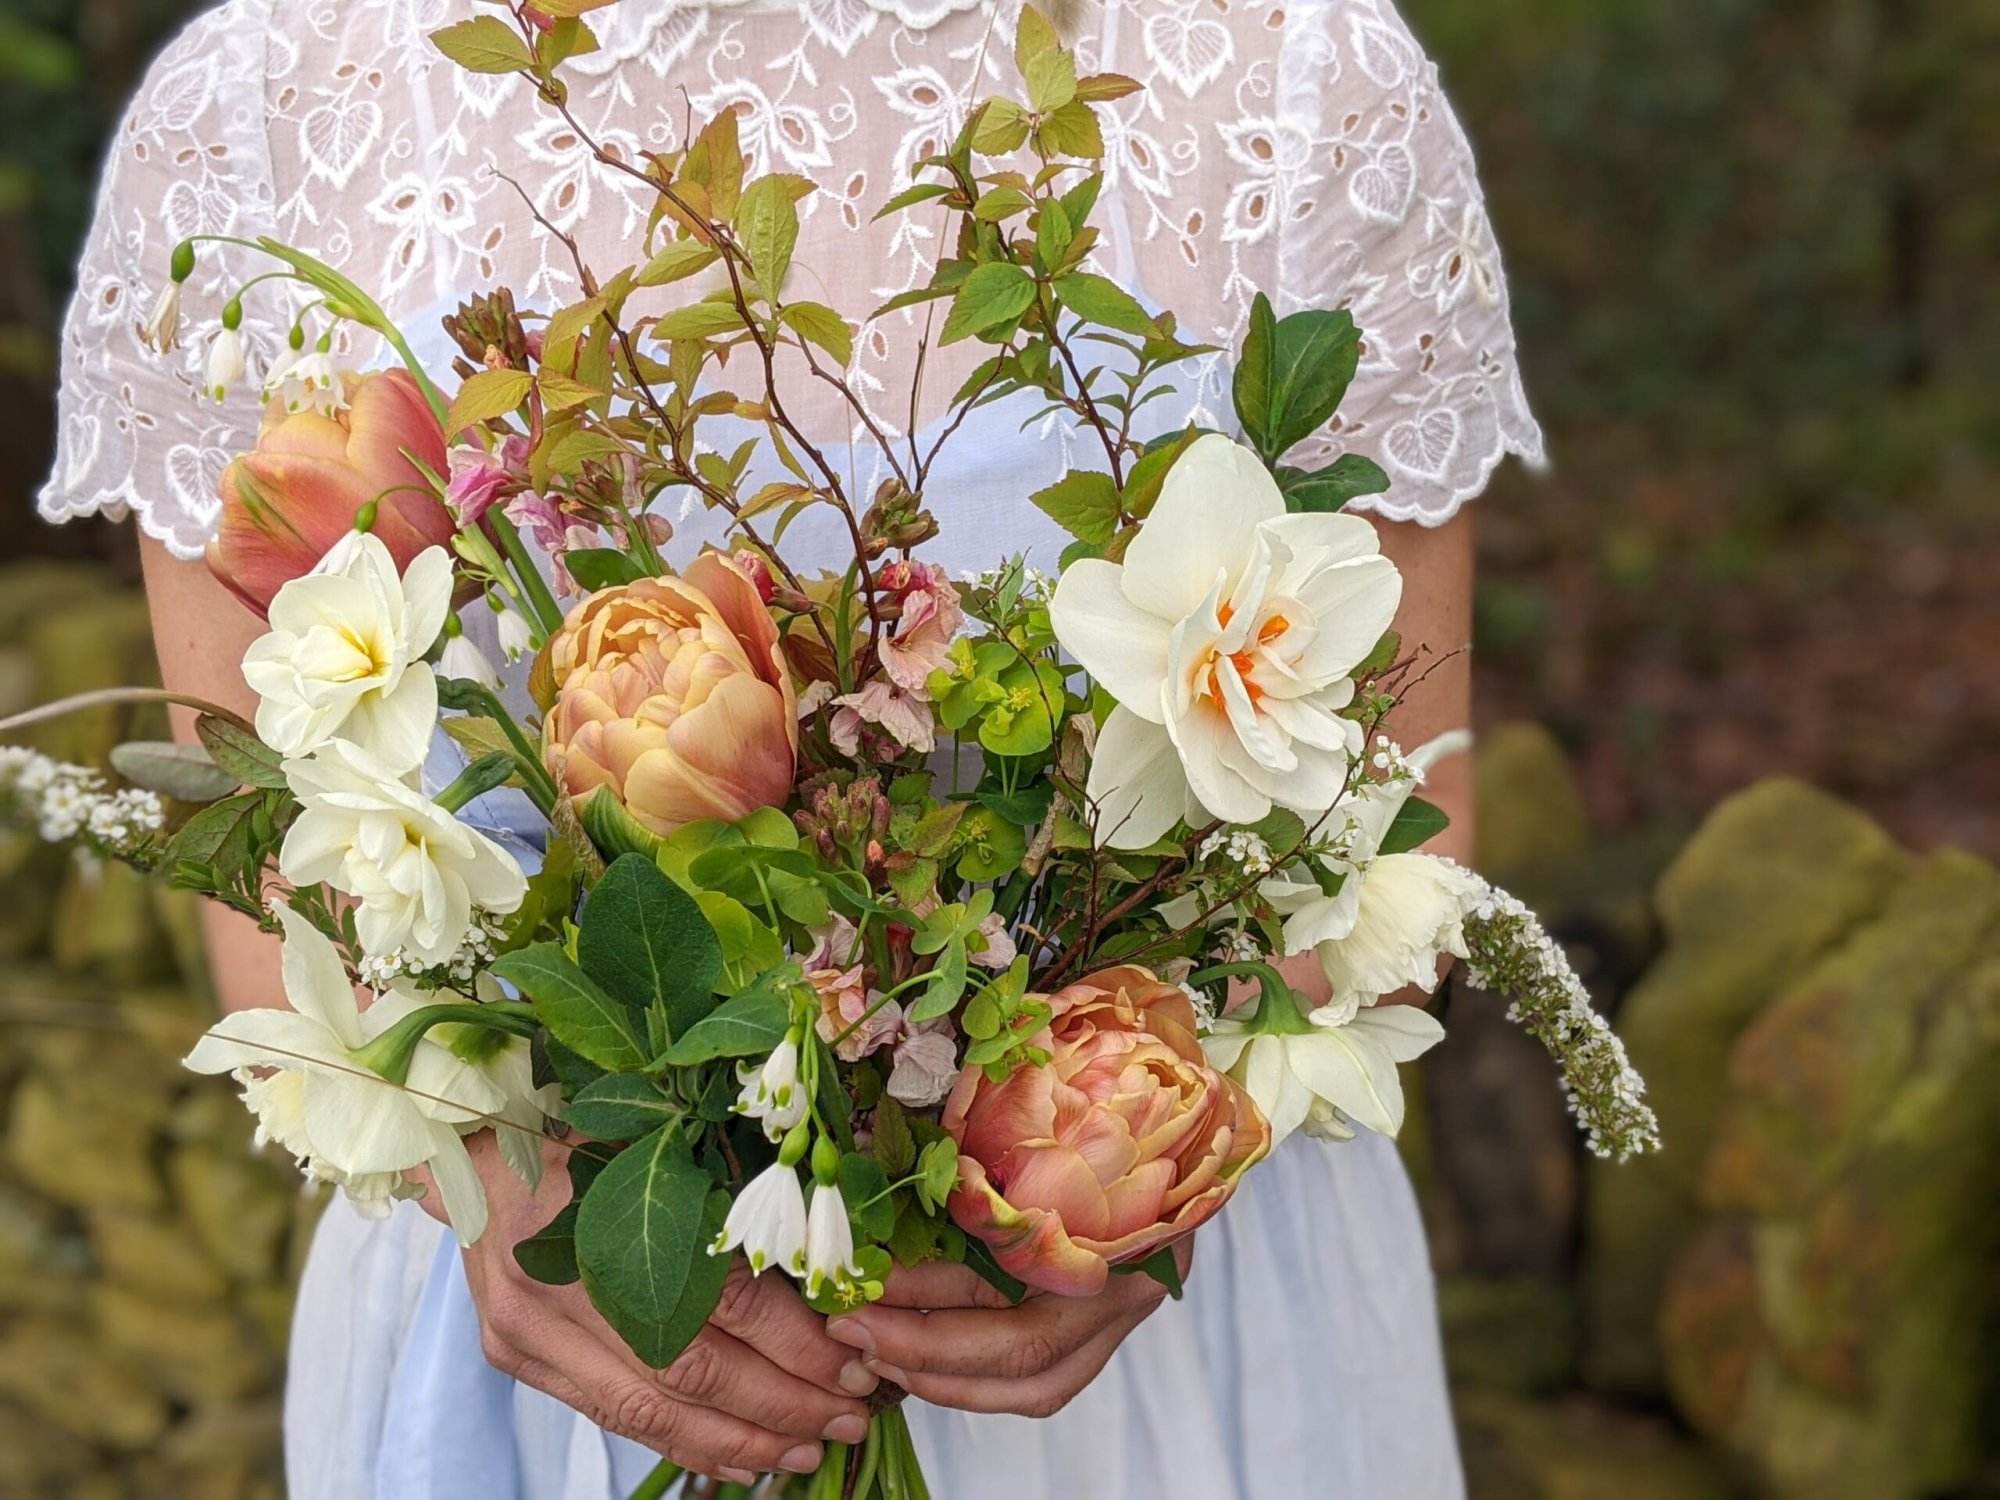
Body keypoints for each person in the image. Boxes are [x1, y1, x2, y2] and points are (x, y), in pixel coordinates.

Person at [40, 0, 1543, 1494]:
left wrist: (1135, 1178)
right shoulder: (257, 115)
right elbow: (273, 891)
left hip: (1151, 1353)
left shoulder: (1301, 81)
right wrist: (491, 1178)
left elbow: (1404, 819)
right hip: (556, 1334)